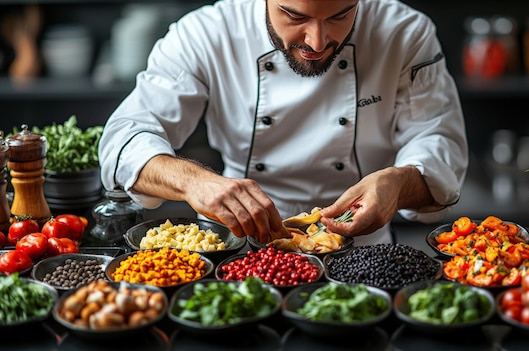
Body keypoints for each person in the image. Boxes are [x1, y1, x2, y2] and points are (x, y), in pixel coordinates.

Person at [98, 0, 469, 246]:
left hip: (362, 246)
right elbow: (124, 139)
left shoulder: (405, 32)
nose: (318, 41)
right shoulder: (205, 33)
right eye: (295, 16)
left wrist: (398, 184)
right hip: (237, 243)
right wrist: (194, 181)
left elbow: (439, 141)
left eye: (341, 15)